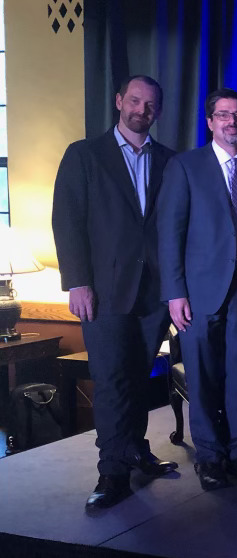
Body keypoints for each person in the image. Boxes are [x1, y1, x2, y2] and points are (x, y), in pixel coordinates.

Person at [52, 75, 178, 511]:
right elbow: (67, 222)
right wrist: (77, 282)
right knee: (111, 381)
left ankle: (134, 449)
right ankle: (113, 471)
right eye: (135, 100)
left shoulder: (169, 161)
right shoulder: (85, 155)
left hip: (154, 293)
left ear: (158, 112)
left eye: (151, 105)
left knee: (139, 377)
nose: (142, 110)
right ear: (119, 101)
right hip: (103, 292)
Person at [158, 88, 237, 491]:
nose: (232, 122)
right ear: (210, 122)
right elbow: (169, 234)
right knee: (203, 375)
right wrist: (175, 292)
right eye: (223, 115)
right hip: (198, 291)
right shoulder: (185, 166)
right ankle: (209, 456)